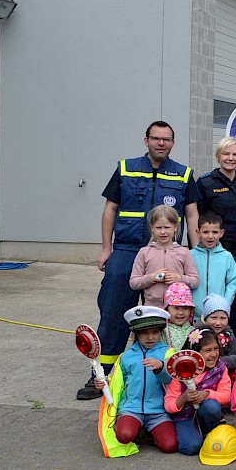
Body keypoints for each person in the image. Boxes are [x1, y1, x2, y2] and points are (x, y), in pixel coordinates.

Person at [87, 120, 200, 400]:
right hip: (126, 250)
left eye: (167, 139)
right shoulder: (125, 169)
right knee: (113, 312)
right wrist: (105, 248)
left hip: (168, 253)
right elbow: (110, 209)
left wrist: (195, 251)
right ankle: (102, 375)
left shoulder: (184, 175)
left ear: (173, 143)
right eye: (156, 138)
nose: (161, 143)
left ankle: (161, 374)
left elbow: (192, 214)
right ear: (146, 140)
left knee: (166, 316)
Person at [92, 306, 177, 453]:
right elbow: (117, 381)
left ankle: (145, 431)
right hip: (131, 408)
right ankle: (137, 427)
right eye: (144, 333)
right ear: (136, 334)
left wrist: (161, 367)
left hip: (158, 410)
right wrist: (103, 383)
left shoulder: (168, 352)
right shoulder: (126, 356)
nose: (150, 338)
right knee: (124, 436)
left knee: (170, 446)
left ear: (160, 332)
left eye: (155, 332)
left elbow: (171, 381)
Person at [196, 137, 236, 330]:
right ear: (218, 155)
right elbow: (197, 219)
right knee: (214, 303)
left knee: (235, 305)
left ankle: (229, 346)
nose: (231, 158)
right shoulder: (205, 183)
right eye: (226, 153)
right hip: (217, 253)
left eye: (235, 154)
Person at [164, 330, 230, 456]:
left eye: (216, 348)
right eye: (207, 350)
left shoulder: (220, 368)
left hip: (206, 414)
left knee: (211, 406)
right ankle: (190, 434)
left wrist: (207, 394)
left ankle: (209, 432)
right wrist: (184, 398)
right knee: (190, 447)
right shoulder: (179, 370)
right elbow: (169, 405)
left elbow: (226, 396)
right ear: (194, 354)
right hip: (184, 417)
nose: (213, 354)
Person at [129, 205, 198, 307]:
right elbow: (134, 282)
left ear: (175, 227)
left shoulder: (184, 252)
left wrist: (179, 278)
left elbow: (195, 281)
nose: (163, 232)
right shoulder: (144, 252)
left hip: (177, 308)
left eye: (167, 227)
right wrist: (151, 278)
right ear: (152, 228)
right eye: (158, 227)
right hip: (151, 307)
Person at [189, 212, 236, 316]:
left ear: (221, 233)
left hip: (217, 314)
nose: (210, 236)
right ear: (198, 232)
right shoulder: (190, 255)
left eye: (215, 232)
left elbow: (233, 281)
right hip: (193, 314)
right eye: (206, 232)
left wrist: (225, 303)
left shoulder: (226, 257)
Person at [199, 294, 236, 371]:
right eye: (213, 318)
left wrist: (217, 361)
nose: (218, 323)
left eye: (223, 318)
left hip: (225, 373)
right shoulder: (198, 335)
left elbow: (234, 358)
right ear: (205, 318)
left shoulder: (229, 336)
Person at [162, 282, 197, 351]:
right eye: (176, 308)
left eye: (185, 308)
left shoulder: (194, 330)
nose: (181, 313)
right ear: (167, 308)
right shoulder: (163, 331)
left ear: (191, 311)